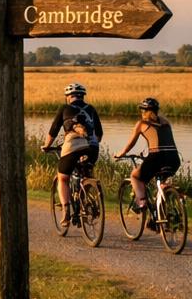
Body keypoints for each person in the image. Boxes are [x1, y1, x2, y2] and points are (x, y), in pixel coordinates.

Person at [42, 82, 103, 217]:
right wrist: (90, 144)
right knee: (86, 172)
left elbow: (54, 130)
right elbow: (99, 133)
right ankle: (87, 196)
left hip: (73, 146)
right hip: (93, 147)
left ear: (68, 97)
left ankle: (66, 209)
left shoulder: (65, 108)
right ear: (82, 96)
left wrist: (46, 146)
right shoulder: (91, 109)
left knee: (63, 178)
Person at [116, 98, 182, 219]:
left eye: (142, 110)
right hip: (173, 158)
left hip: (157, 158)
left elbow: (131, 144)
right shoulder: (166, 121)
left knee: (135, 176)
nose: (141, 112)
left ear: (145, 111)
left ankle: (141, 202)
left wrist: (121, 153)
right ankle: (160, 214)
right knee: (161, 184)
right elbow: (161, 140)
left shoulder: (142, 124)